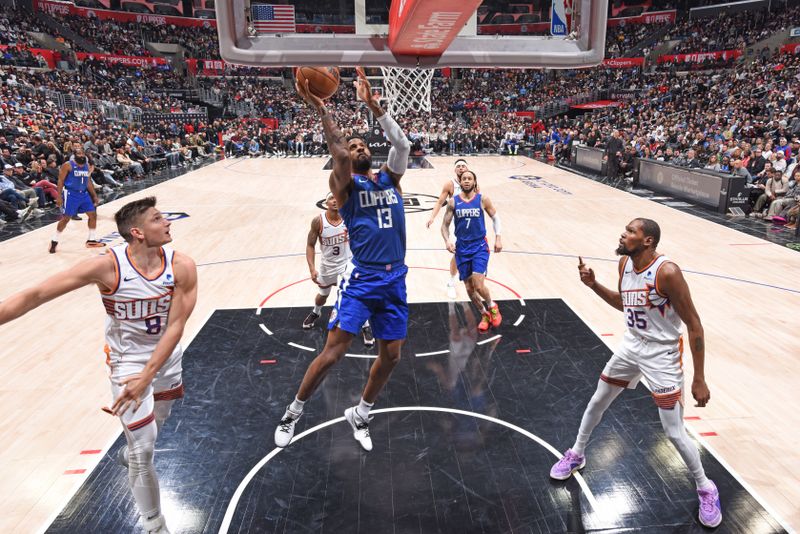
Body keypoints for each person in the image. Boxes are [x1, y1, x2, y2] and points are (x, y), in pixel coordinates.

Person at [0, 196, 198, 534]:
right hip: (127, 363)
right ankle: (154, 524)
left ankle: (134, 448)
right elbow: (35, 295)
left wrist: (150, 374)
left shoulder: (182, 265)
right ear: (137, 232)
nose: (167, 222)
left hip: (165, 358)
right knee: (144, 450)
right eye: (157, 219)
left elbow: (177, 325)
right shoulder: (106, 266)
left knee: (154, 429)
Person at [549, 218, 722, 529]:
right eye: (625, 229)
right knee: (597, 401)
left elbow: (695, 324)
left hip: (662, 355)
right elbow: (624, 304)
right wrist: (593, 285)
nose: (623, 234)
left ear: (648, 242)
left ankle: (706, 487)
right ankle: (577, 453)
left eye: (631, 232)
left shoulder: (667, 273)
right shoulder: (624, 264)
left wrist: (699, 378)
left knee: (673, 432)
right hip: (631, 346)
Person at [274, 67, 411, 452]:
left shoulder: (390, 180)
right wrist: (322, 110)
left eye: (363, 145)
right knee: (333, 353)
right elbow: (335, 147)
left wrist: (376, 108)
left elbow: (402, 147)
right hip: (362, 279)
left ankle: (361, 414)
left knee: (393, 356)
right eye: (353, 148)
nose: (358, 148)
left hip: (395, 279)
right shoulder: (345, 188)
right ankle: (293, 411)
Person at [302, 191, 374, 347]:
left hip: (346, 265)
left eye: (337, 198)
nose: (334, 201)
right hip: (327, 265)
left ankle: (365, 326)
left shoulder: (350, 218)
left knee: (356, 296)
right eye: (331, 198)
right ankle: (316, 312)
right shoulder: (318, 221)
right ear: (326, 202)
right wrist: (312, 268)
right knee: (323, 295)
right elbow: (310, 245)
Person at [441, 170, 503, 332]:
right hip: (462, 248)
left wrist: (498, 237)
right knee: (469, 289)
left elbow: (495, 218)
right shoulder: (453, 203)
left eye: (470, 178)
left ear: (475, 182)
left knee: (478, 284)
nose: (467, 181)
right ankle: (484, 314)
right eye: (464, 179)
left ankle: (492, 306)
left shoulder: (482, 199)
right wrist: (447, 241)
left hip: (479, 247)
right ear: (460, 182)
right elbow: (444, 225)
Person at [426, 159, 470, 298]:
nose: (461, 168)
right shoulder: (450, 184)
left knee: (469, 254)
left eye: (463, 166)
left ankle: (469, 281)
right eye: (458, 166)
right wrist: (432, 217)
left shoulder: (473, 183)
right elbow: (440, 201)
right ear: (455, 170)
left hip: (470, 223)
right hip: (456, 222)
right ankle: (451, 283)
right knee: (458, 254)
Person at [50, 147, 105, 253]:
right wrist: (59, 196)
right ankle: (54, 240)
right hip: (71, 194)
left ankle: (91, 240)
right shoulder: (68, 165)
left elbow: (88, 181)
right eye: (78, 153)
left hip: (83, 194)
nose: (81, 155)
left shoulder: (86, 165)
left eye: (82, 153)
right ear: (74, 155)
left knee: (93, 215)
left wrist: (94, 195)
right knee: (66, 218)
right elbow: (60, 181)